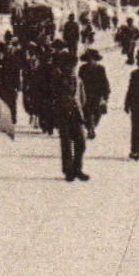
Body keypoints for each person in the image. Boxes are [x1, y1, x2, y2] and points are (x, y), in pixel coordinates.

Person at [50, 48, 89, 181]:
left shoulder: (78, 80)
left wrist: (81, 110)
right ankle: (68, 171)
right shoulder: (58, 79)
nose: (71, 68)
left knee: (81, 142)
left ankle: (77, 168)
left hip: (76, 114)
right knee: (66, 143)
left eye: (73, 66)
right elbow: (53, 97)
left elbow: (82, 98)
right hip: (63, 114)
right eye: (68, 66)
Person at [78, 49, 110, 139]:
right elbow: (79, 82)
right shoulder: (82, 68)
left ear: (96, 60)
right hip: (86, 95)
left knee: (97, 115)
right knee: (87, 113)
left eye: (92, 59)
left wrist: (105, 97)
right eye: (88, 59)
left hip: (97, 95)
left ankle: (92, 126)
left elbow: (104, 83)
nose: (90, 61)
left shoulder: (100, 69)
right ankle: (90, 129)